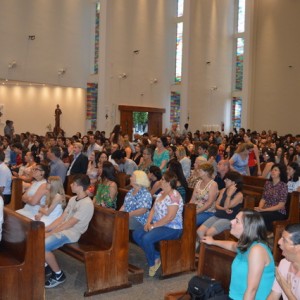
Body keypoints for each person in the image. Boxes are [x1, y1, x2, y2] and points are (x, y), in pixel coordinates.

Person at [202, 209, 275, 299]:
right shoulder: (247, 244)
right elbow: (233, 246)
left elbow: (252, 290)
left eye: (237, 221)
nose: (231, 222)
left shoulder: (257, 250)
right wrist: (213, 241)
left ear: (248, 227)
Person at [44, 174, 94, 288]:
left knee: (43, 246)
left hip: (71, 233)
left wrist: (51, 233)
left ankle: (58, 275)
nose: (70, 185)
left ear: (80, 187)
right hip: (63, 229)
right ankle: (46, 265)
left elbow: (70, 223)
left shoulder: (87, 204)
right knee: (38, 235)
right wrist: (47, 229)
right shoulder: (72, 199)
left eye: (73, 184)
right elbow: (62, 218)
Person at [132, 170, 183, 277]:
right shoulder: (161, 193)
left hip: (172, 228)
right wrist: (148, 222)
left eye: (162, 180)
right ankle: (156, 255)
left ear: (168, 182)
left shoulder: (174, 196)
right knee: (136, 234)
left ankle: (152, 263)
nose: (160, 181)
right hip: (158, 224)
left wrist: (153, 226)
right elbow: (153, 210)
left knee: (147, 238)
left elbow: (170, 217)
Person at [197, 171, 243, 239]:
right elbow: (217, 205)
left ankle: (206, 248)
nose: (224, 180)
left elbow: (226, 206)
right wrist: (224, 209)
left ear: (233, 182)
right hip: (218, 215)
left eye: (227, 179)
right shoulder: (224, 190)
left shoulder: (239, 195)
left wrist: (229, 195)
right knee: (199, 231)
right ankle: (201, 248)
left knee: (209, 233)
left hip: (229, 219)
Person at [267, 223, 300, 300]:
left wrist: (287, 291)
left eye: (284, 240)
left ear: (298, 247)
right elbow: (273, 296)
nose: (279, 242)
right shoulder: (284, 263)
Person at [254, 164, 288, 232]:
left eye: (275, 170)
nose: (273, 171)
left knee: (259, 216)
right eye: (272, 170)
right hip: (266, 209)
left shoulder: (283, 186)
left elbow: (281, 205)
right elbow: (263, 198)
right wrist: (260, 207)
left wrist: (264, 210)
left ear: (280, 173)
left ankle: (259, 235)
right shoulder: (268, 183)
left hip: (278, 212)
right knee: (251, 213)